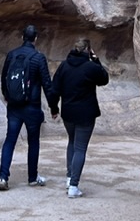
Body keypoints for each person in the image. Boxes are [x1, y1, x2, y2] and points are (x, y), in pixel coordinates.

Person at [0, 23, 59, 190]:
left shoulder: (12, 55)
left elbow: (4, 78)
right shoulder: (38, 58)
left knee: (10, 140)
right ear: (35, 39)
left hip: (14, 106)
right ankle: (32, 178)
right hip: (32, 106)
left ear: (22, 37)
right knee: (33, 142)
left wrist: (7, 96)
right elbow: (47, 84)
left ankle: (3, 177)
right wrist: (54, 107)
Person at [51, 37, 109, 198]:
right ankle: (74, 185)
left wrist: (54, 108)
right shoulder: (91, 67)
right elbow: (104, 79)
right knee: (80, 148)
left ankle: (70, 178)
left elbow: (54, 89)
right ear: (88, 50)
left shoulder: (64, 66)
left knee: (72, 142)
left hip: (68, 112)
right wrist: (96, 60)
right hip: (86, 114)